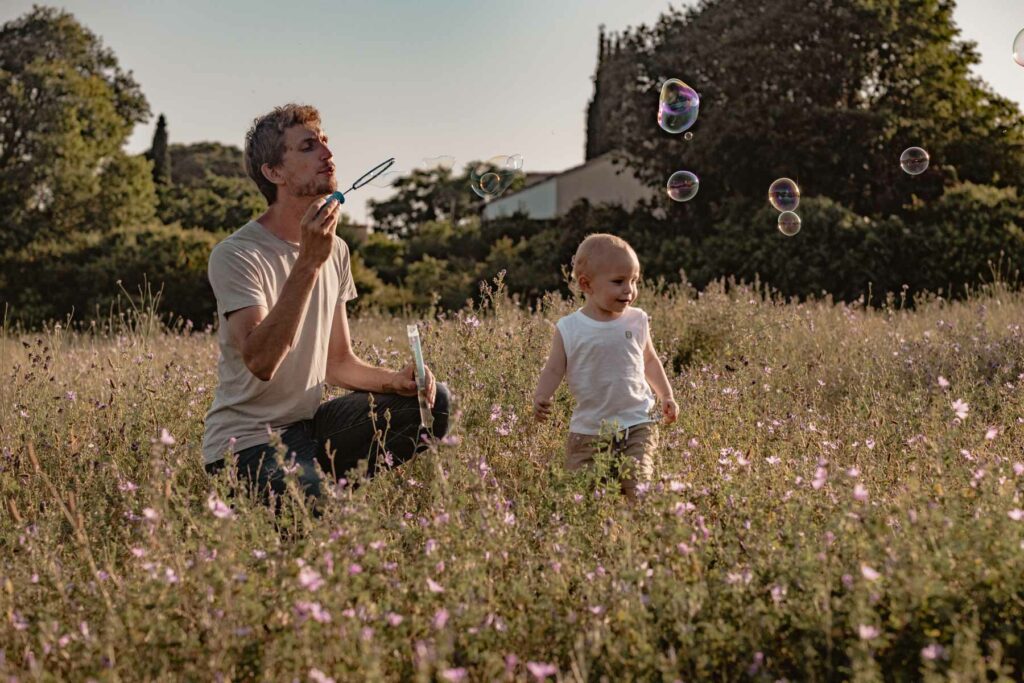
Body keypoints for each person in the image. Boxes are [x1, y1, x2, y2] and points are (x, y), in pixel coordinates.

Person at [202, 103, 449, 509]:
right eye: (308, 146)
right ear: (274, 172)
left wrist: (396, 381)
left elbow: (338, 363)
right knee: (312, 512)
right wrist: (308, 263)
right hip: (245, 442)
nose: (327, 154)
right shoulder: (237, 254)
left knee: (433, 404)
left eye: (326, 143)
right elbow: (261, 362)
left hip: (310, 427)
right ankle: (305, 496)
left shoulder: (335, 250)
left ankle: (314, 485)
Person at [532, 233, 677, 500]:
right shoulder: (570, 328)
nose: (629, 290)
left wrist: (665, 395)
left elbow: (649, 360)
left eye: (634, 281)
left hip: (637, 422)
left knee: (638, 486)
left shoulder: (637, 320)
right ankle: (598, 538)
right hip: (589, 429)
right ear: (587, 284)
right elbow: (553, 369)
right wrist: (542, 395)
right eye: (619, 282)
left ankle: (641, 537)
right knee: (581, 497)